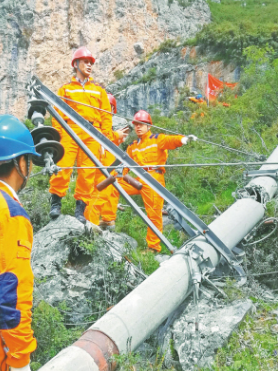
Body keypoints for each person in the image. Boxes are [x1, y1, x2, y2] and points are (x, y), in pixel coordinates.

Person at [48, 46, 127, 224]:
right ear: (76, 64)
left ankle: (80, 209)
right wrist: (59, 137)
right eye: (86, 62)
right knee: (63, 166)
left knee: (87, 172)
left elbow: (106, 116)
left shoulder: (99, 91)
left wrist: (104, 138)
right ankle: (55, 203)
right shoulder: (65, 89)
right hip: (71, 131)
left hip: (93, 133)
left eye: (91, 63)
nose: (90, 65)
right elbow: (57, 115)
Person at [103, 110, 197, 253]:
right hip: (140, 179)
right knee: (113, 183)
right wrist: (111, 175)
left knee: (153, 213)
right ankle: (109, 218)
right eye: (136, 125)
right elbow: (124, 165)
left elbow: (171, 141)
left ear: (148, 126)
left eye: (142, 124)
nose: (138, 127)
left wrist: (183, 140)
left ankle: (153, 247)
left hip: (154, 178)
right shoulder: (133, 146)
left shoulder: (156, 139)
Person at [0, 115, 40, 371]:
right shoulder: (10, 212)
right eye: (29, 160)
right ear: (20, 162)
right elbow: (10, 295)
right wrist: (21, 361)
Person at [84, 93, 128, 227]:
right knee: (103, 191)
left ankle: (99, 221)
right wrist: (118, 135)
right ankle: (99, 220)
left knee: (104, 190)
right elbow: (104, 137)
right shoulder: (98, 122)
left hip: (106, 158)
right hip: (102, 158)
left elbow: (107, 138)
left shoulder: (105, 122)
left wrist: (118, 136)